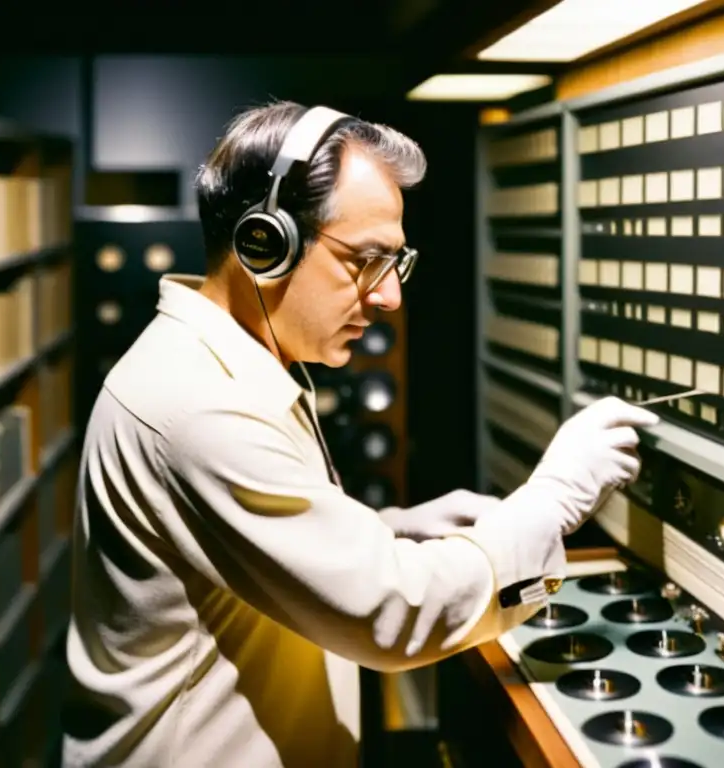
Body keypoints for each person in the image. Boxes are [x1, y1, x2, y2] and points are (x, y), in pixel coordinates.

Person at [62, 100, 658, 767]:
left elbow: (250, 558)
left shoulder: (219, 362)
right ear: (266, 242)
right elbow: (392, 614)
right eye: (365, 260)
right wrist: (551, 498)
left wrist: (389, 532)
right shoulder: (199, 405)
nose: (389, 298)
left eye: (394, 263)